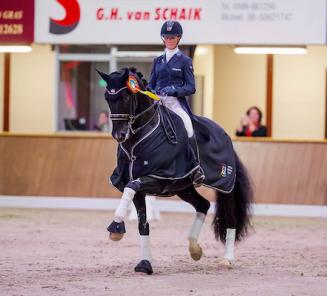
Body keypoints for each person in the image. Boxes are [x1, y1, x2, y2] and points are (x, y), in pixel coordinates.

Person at [148, 20, 204, 185]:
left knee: (188, 127)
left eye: (172, 37)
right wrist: (148, 90)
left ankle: (195, 168)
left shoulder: (184, 61)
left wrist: (173, 90)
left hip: (175, 104)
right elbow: (152, 83)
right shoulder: (157, 61)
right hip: (158, 104)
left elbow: (191, 87)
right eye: (166, 36)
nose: (169, 39)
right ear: (163, 38)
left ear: (178, 38)